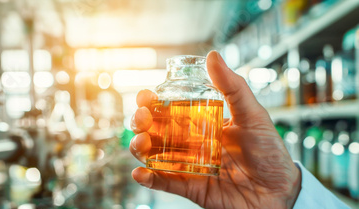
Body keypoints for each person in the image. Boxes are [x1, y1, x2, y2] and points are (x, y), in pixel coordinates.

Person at [129, 51, 350, 209]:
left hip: (214, 170)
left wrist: (286, 195)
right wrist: (285, 199)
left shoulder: (210, 92)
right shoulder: (166, 93)